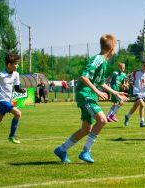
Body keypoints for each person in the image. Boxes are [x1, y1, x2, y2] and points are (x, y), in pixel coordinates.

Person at [54, 34, 128, 163]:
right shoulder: (98, 59)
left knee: (86, 129)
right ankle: (86, 151)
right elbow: (84, 77)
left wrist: (115, 92)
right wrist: (97, 92)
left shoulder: (103, 62)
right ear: (112, 48)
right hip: (85, 94)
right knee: (102, 120)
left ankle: (62, 149)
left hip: (90, 94)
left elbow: (100, 82)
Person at [0, 53, 26, 144]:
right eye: (15, 63)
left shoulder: (16, 74)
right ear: (9, 64)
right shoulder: (0, 75)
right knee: (18, 113)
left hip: (7, 101)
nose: (17, 65)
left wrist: (21, 90)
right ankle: (12, 136)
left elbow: (17, 88)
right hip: (1, 101)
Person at [124, 60, 145, 127]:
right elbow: (127, 78)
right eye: (143, 65)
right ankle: (142, 122)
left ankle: (127, 116)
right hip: (136, 91)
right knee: (142, 104)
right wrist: (129, 82)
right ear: (141, 65)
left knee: (135, 106)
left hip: (143, 93)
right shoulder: (136, 73)